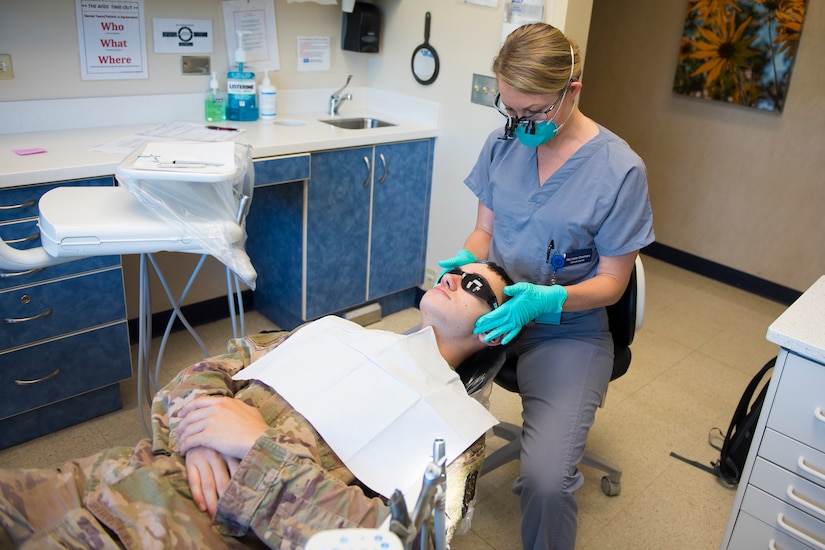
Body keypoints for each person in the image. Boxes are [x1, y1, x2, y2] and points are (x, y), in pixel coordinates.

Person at [0, 262, 513, 550]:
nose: (451, 278)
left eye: (474, 286)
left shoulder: (458, 432)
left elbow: (403, 542)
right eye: (453, 269)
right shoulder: (334, 332)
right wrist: (198, 435)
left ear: (494, 331)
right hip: (130, 469)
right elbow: (206, 370)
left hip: (195, 528)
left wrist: (254, 446)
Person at [439, 23, 654, 550]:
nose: (520, 127)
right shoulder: (501, 144)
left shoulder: (620, 172)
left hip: (567, 329)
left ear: (571, 92)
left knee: (546, 482)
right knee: (411, 406)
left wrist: (549, 299)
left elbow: (611, 284)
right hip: (494, 309)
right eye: (510, 111)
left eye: (534, 113)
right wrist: (469, 256)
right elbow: (485, 230)